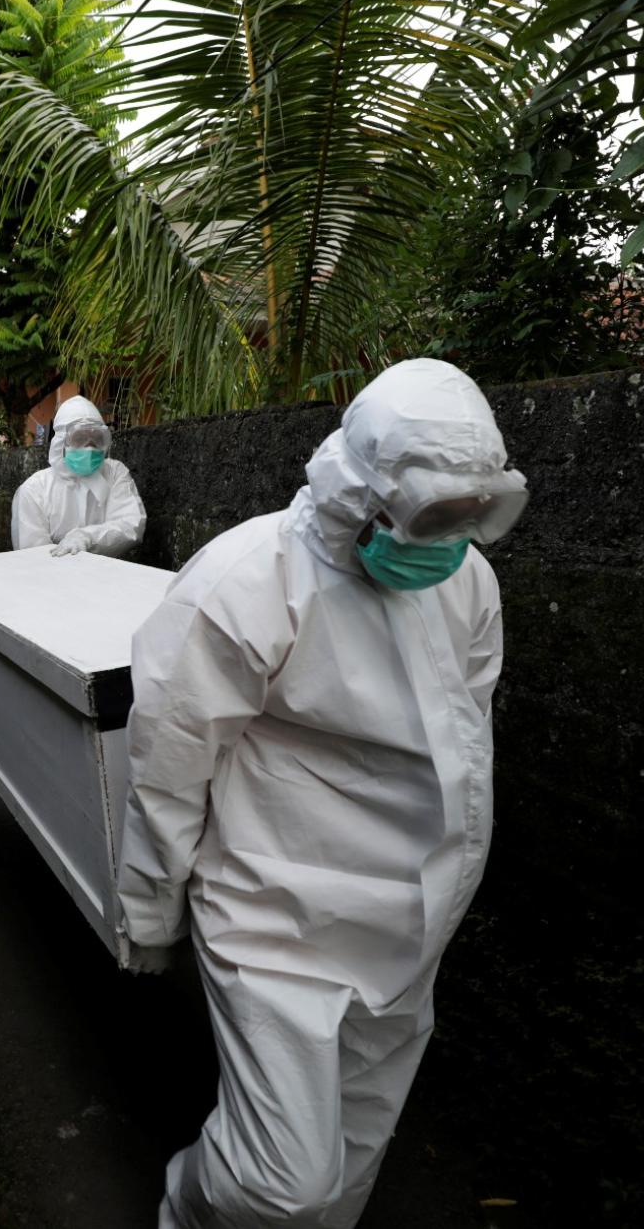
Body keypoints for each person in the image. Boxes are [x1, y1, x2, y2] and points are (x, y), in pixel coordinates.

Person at [116, 358, 529, 1229]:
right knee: (282, 1183)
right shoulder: (246, 582)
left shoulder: (469, 582)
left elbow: (467, 742)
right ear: (362, 492)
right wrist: (150, 915)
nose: (449, 538)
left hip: (409, 922)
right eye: (433, 513)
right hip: (275, 919)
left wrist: (450, 893)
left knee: (352, 1156)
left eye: (471, 513)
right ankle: (188, 1210)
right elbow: (169, 763)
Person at [11, 395, 146, 557]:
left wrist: (88, 537)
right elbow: (33, 555)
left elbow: (131, 525)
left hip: (106, 576)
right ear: (61, 443)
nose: (89, 447)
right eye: (80, 438)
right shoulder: (34, 490)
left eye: (96, 439)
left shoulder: (114, 473)